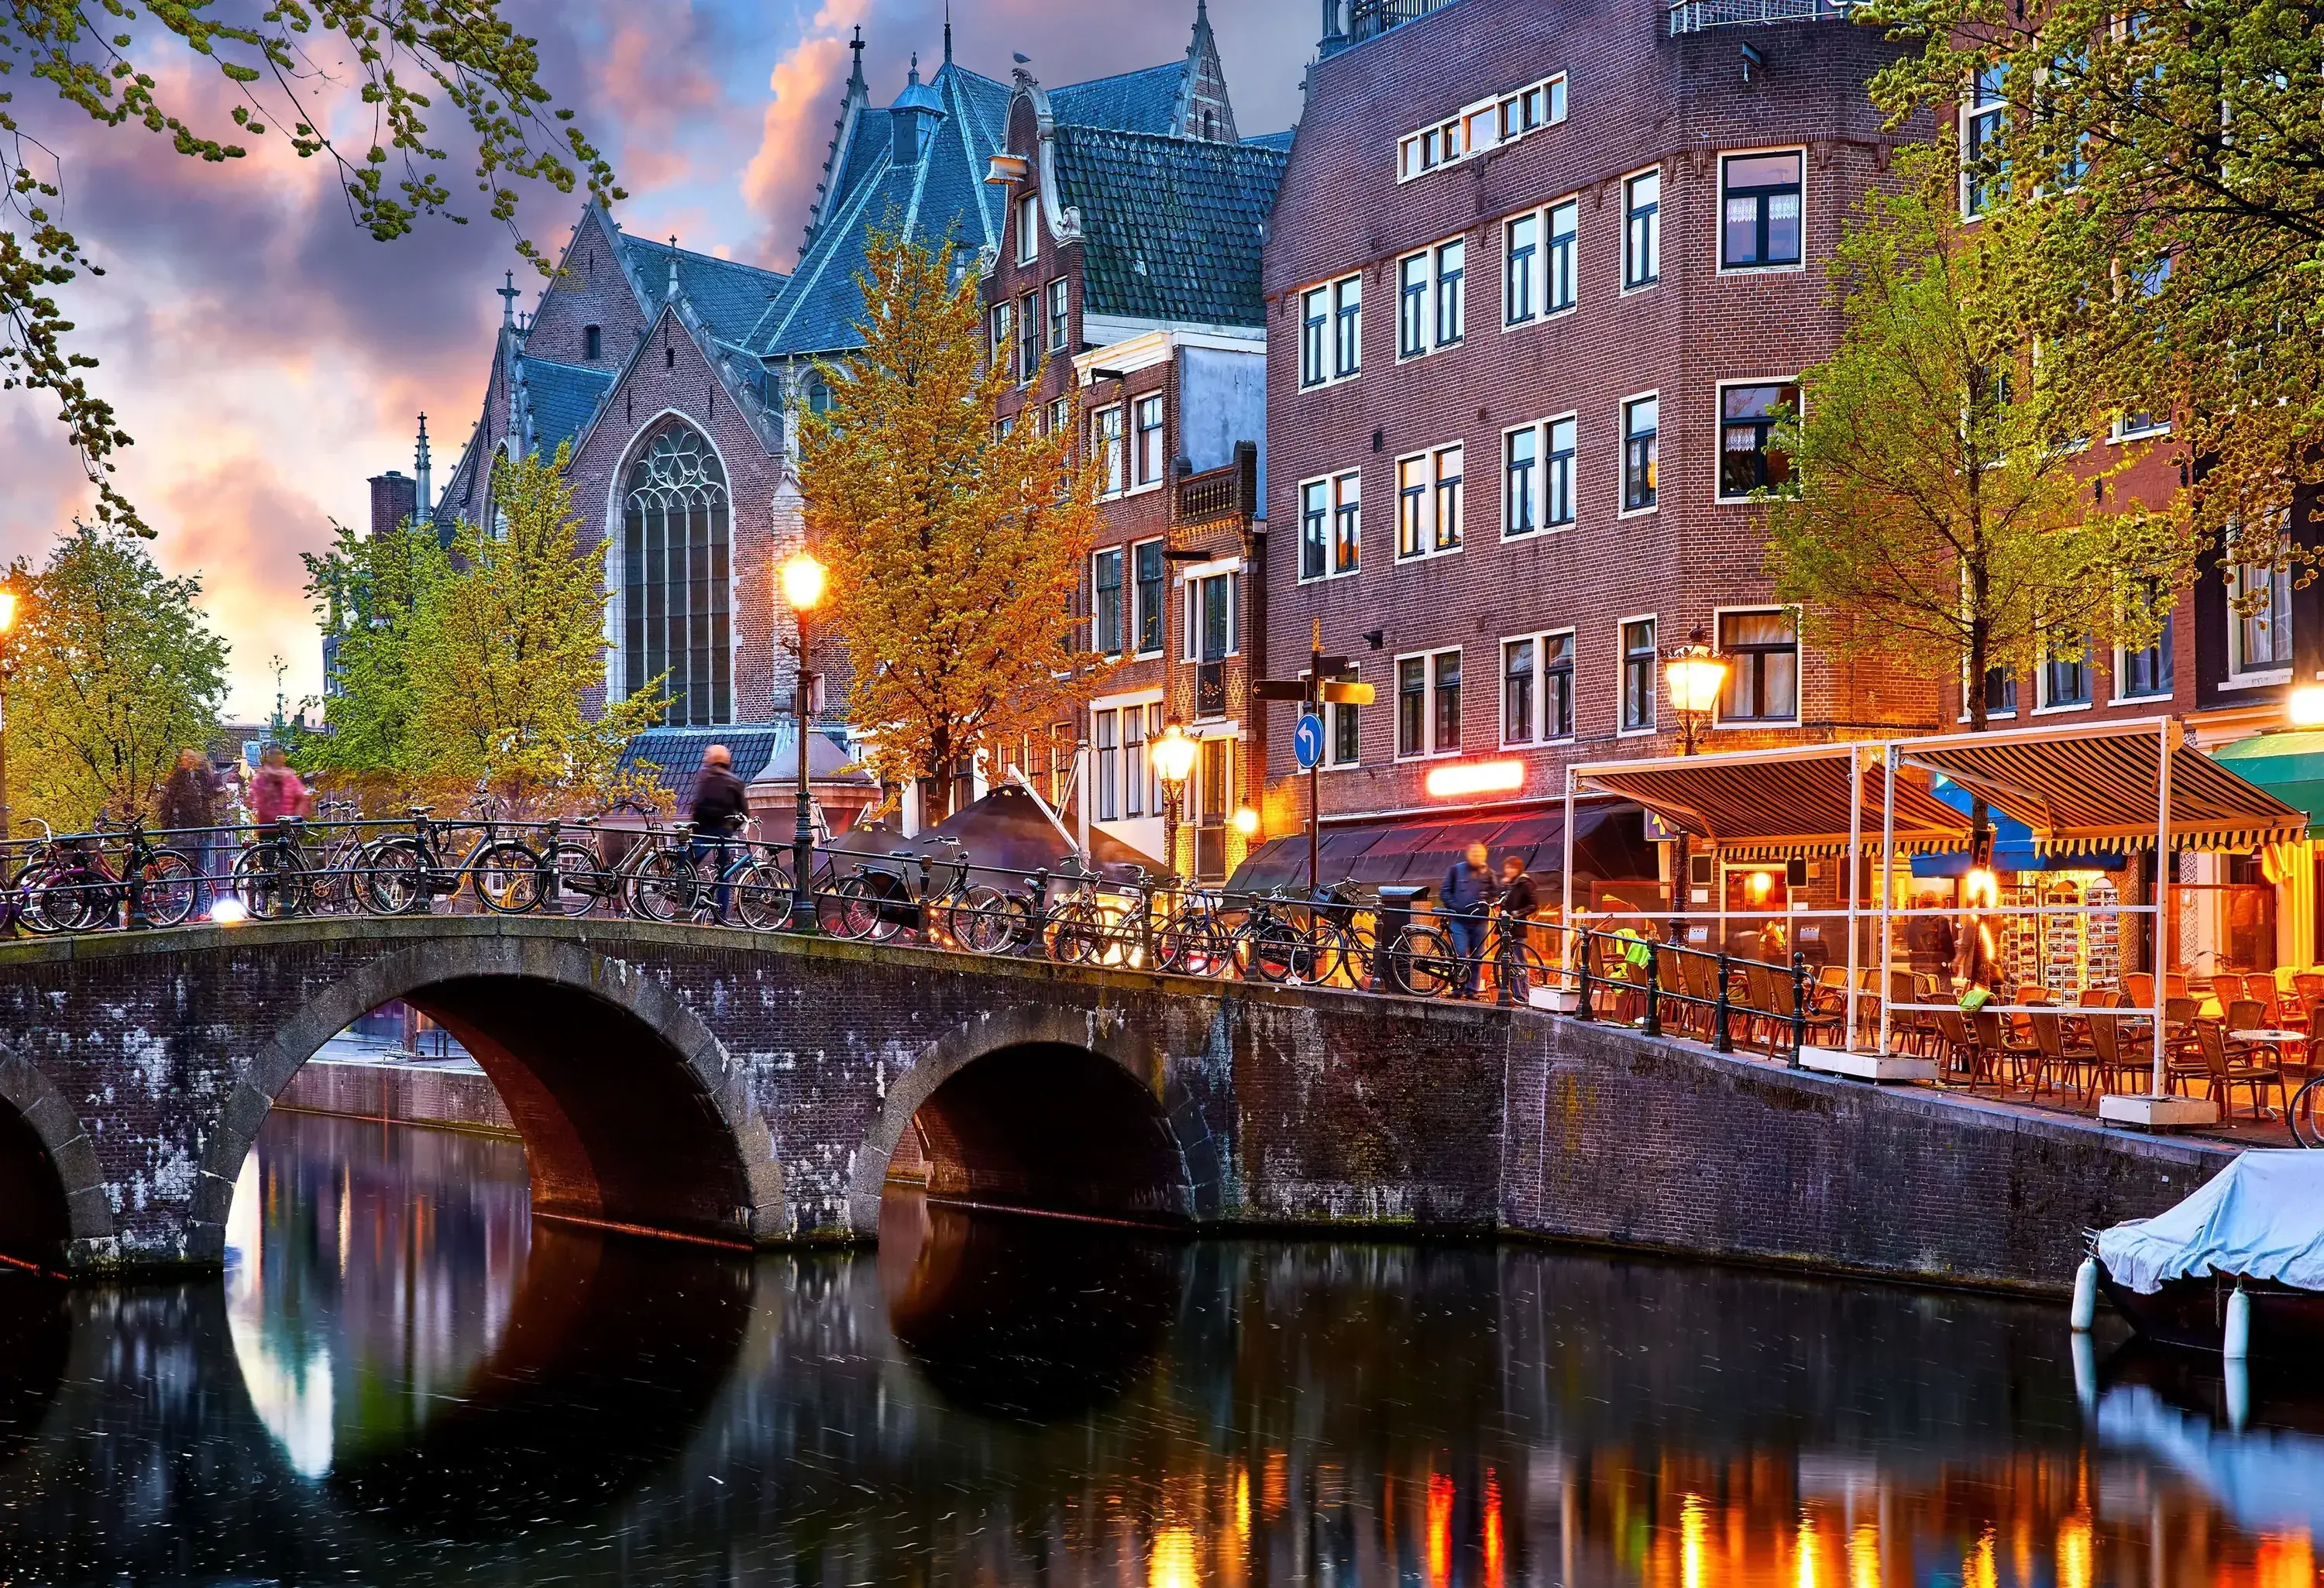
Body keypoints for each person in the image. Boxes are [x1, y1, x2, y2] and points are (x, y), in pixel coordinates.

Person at [689, 744, 750, 923]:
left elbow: (698, 804)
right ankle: (720, 918)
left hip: (704, 830)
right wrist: (732, 826)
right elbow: (744, 812)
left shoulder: (706, 777)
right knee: (724, 874)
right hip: (724, 831)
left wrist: (695, 829)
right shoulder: (736, 782)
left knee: (688, 864)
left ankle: (683, 898)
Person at [156, 748, 222, 902]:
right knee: (180, 870)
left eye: (191, 758)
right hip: (181, 832)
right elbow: (167, 804)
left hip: (199, 830)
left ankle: (199, 910)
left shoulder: (203, 777)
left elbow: (213, 798)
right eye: (185, 758)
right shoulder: (175, 779)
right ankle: (180, 909)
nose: (189, 761)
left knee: (199, 871)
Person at [1440, 840, 1498, 999]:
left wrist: (1489, 903)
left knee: (1477, 957)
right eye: (1474, 853)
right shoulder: (1456, 870)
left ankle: (1471, 990)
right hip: (1460, 920)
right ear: (1468, 854)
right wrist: (1456, 907)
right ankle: (1458, 987)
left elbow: (1495, 893)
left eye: (1480, 854)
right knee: (1460, 954)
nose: (1477, 856)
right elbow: (1445, 892)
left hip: (1480, 922)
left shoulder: (1489, 873)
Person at [1493, 854, 1539, 1005]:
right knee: (1508, 960)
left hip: (1517, 927)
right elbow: (1501, 900)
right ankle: (1513, 992)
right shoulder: (1508, 884)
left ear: (1518, 869)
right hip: (1504, 927)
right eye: (1507, 868)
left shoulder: (1524, 883)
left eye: (1511, 868)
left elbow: (1533, 905)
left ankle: (1523, 995)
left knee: (1519, 961)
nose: (1508, 871)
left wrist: (1517, 913)